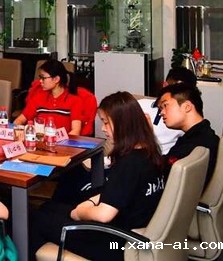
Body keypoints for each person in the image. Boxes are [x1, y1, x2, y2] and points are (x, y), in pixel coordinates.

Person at [31, 91, 165, 260]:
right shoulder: (151, 153)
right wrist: (89, 203)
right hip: (134, 231)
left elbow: (103, 215)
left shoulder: (129, 163)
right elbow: (120, 193)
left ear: (123, 124)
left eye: (106, 123)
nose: (102, 128)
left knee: (35, 218)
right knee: (49, 207)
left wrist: (79, 213)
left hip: (115, 241)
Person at [158, 82, 219, 186]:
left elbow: (165, 174)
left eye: (165, 105)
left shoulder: (198, 144)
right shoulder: (200, 135)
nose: (161, 113)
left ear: (187, 106)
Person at [14, 59, 82, 135]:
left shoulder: (74, 100)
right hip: (39, 139)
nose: (40, 81)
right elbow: (19, 120)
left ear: (56, 79)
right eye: (40, 77)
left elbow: (76, 131)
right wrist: (19, 131)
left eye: (43, 78)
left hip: (63, 141)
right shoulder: (39, 97)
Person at [139, 67, 196, 154]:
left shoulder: (184, 117)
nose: (178, 97)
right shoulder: (141, 105)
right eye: (176, 91)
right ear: (165, 85)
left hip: (158, 158)